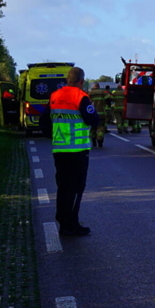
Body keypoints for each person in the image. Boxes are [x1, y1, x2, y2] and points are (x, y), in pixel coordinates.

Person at [39, 67, 98, 236]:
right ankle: (70, 224)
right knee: (77, 187)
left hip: (59, 149)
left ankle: (63, 219)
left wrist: (55, 135)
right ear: (81, 81)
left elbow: (43, 122)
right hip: (78, 151)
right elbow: (93, 120)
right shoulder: (81, 97)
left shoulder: (54, 96)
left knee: (63, 186)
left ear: (67, 79)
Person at [87, 81, 109, 147]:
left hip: (92, 114)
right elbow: (108, 99)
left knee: (93, 128)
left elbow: (86, 102)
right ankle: (100, 138)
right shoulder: (103, 92)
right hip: (102, 113)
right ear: (99, 87)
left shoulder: (89, 93)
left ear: (93, 87)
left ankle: (93, 140)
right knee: (101, 127)